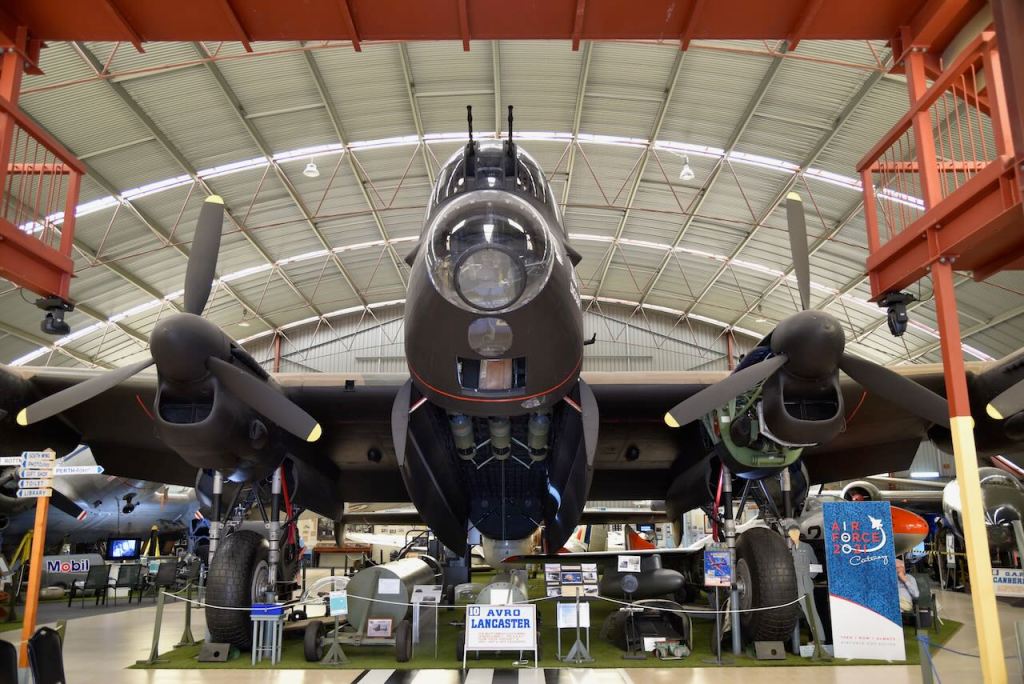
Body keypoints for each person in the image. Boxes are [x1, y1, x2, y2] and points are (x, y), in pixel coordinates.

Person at [785, 519, 827, 647]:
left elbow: (816, 565)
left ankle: (819, 638)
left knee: (810, 611)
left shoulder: (806, 547)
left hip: (804, 584)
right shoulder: (787, 549)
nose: (793, 534)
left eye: (795, 531)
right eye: (790, 532)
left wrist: (808, 577)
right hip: (791, 584)